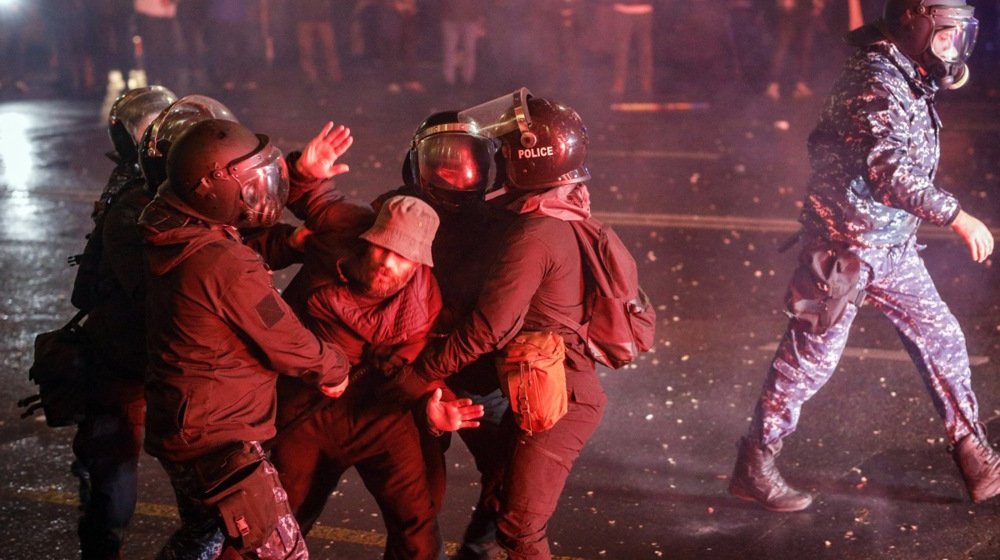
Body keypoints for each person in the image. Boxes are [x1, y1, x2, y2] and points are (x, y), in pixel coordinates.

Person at [729, 0, 999, 513]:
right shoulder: (875, 79)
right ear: (915, 27)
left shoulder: (906, 72)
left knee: (942, 338)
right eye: (944, 36)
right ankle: (754, 465)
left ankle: (976, 459)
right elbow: (887, 168)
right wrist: (957, 216)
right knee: (808, 365)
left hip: (890, 245)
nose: (952, 49)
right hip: (844, 250)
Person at [399, 92, 608, 560]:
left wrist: (421, 373)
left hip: (504, 383)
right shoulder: (550, 210)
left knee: (512, 512)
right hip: (468, 378)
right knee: (455, 500)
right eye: (443, 164)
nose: (462, 177)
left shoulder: (524, 229)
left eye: (480, 161)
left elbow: (489, 329)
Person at [139, 118, 351, 558]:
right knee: (284, 553)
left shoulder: (175, 227)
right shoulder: (225, 265)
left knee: (202, 537)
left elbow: (241, 229)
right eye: (250, 184)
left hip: (183, 422)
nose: (260, 191)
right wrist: (333, 366)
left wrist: (302, 176)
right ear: (213, 188)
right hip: (220, 439)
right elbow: (286, 340)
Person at [269, 122, 483, 560]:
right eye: (384, 248)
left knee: (417, 524)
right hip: (307, 405)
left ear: (419, 263)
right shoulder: (345, 229)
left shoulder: (425, 303)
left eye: (403, 258)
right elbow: (308, 196)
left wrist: (430, 408)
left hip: (374, 409)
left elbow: (413, 368)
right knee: (275, 520)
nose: (389, 262)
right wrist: (304, 169)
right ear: (370, 236)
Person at [377, 109, 516, 560]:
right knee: (415, 508)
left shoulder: (504, 226)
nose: (456, 173)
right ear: (416, 164)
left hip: (480, 382)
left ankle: (475, 553)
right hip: (414, 380)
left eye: (468, 162)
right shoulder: (395, 213)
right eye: (442, 161)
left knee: (513, 484)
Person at [67, 85, 176, 560]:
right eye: (151, 130)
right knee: (113, 480)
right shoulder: (135, 200)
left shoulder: (159, 186)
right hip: (129, 353)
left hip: (156, 352)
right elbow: (155, 293)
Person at [763, 0, 827, 101]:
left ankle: (801, 85)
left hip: (806, 8)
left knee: (805, 48)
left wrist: (817, 4)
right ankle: (773, 84)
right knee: (782, 47)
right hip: (791, 7)